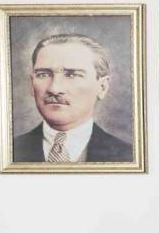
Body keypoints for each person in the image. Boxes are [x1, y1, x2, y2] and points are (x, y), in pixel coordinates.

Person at [14, 34, 132, 163]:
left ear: (102, 87)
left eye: (71, 75)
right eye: (43, 75)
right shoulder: (9, 153)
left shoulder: (129, 157)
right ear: (32, 84)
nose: (54, 89)